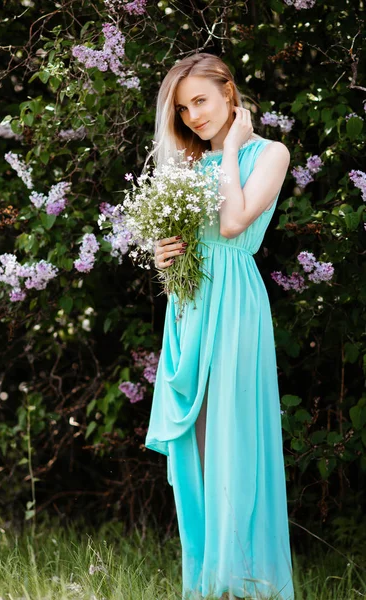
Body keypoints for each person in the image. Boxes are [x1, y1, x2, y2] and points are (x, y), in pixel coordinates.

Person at [144, 52, 295, 600]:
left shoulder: (269, 154)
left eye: (200, 101)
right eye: (183, 109)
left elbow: (233, 225)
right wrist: (166, 253)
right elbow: (182, 240)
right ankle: (210, 584)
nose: (193, 116)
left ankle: (245, 582)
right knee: (199, 446)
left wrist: (229, 149)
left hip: (234, 303)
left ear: (229, 92)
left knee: (235, 440)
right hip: (190, 308)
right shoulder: (183, 166)